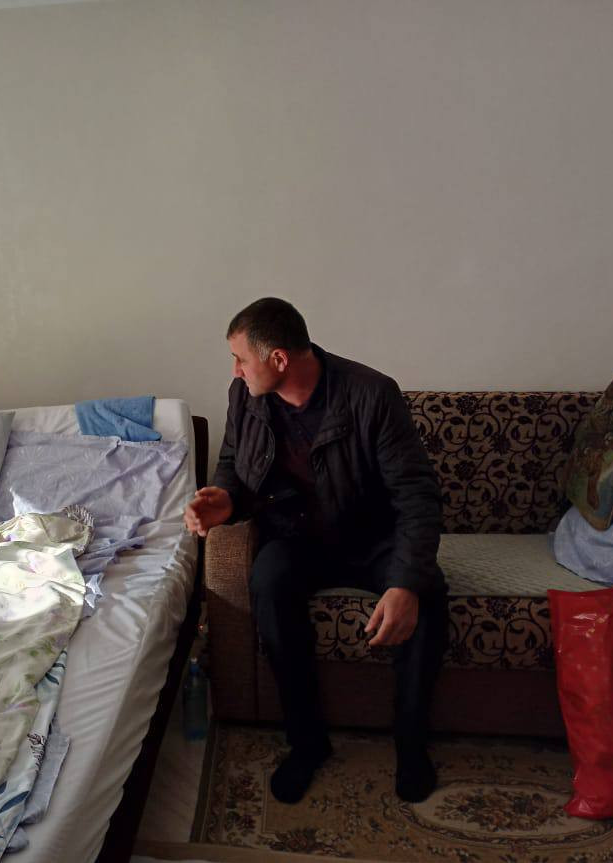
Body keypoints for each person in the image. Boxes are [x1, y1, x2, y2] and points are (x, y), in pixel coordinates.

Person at [185, 298, 448, 804]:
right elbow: (234, 464)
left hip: (372, 537)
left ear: (279, 359)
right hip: (296, 537)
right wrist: (225, 500)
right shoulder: (245, 396)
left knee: (428, 594)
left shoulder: (371, 393)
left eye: (241, 358)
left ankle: (412, 744)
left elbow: (417, 495)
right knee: (268, 581)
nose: (236, 370)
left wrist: (405, 582)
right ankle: (306, 743)